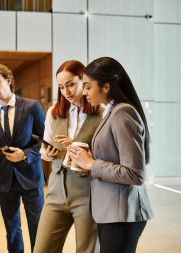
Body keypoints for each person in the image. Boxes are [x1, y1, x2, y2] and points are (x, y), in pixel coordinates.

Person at [67, 57, 154, 253]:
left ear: (106, 86)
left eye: (88, 87)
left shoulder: (123, 113)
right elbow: (114, 155)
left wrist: (92, 164)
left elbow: (135, 173)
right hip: (112, 212)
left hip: (122, 215)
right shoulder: (112, 110)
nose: (85, 92)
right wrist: (87, 157)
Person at [34, 60, 102, 253]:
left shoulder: (102, 115)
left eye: (70, 84)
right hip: (55, 190)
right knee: (42, 249)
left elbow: (107, 155)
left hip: (87, 193)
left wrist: (76, 148)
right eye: (61, 87)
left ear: (84, 80)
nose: (66, 91)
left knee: (87, 250)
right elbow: (44, 150)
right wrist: (47, 153)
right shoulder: (54, 113)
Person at [0, 63, 45, 253]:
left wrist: (25, 154)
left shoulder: (32, 107)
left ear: (8, 80)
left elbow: (44, 141)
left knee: (37, 227)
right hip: (5, 180)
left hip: (31, 177)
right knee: (12, 230)